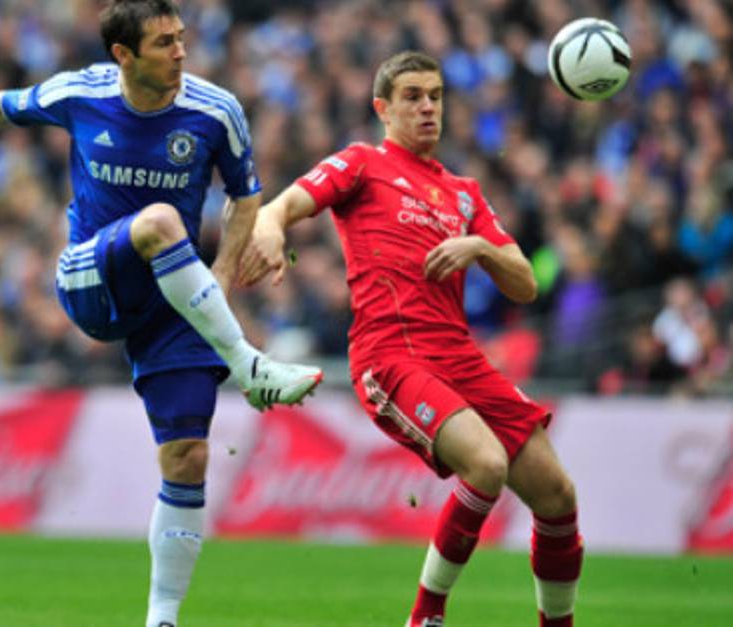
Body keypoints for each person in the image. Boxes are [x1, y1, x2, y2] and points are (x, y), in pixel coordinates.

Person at [0, 0, 323, 627]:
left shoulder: (216, 111)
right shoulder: (80, 93)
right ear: (123, 54)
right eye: (164, 43)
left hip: (176, 299)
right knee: (161, 220)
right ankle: (249, 365)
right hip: (90, 279)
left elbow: (245, 195)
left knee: (187, 457)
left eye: (181, 39)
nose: (181, 52)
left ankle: (161, 618)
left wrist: (221, 277)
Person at [238, 51, 583, 627]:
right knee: (487, 465)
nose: (428, 107)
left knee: (557, 495)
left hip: (460, 355)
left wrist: (479, 248)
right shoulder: (362, 163)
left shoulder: (464, 193)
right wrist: (271, 230)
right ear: (383, 108)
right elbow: (285, 204)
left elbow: (524, 283)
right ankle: (425, 617)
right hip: (391, 355)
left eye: (436, 96)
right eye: (413, 97)